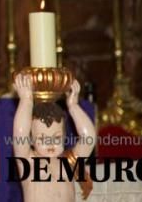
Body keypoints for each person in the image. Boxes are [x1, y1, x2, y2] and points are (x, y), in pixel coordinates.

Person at [13, 73, 96, 201]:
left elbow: (89, 138)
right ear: (30, 139)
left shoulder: (68, 163)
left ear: (64, 137)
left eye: (57, 138)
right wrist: (26, 101)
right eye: (42, 139)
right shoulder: (28, 162)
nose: (50, 143)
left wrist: (74, 106)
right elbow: (20, 133)